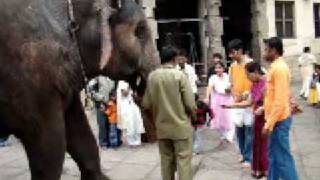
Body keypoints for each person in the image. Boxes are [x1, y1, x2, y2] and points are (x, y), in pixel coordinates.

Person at [143, 46, 196, 180]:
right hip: (181, 126)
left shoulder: (152, 77)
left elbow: (146, 104)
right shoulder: (180, 76)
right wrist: (194, 117)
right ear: (174, 59)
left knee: (166, 162)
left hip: (162, 127)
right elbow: (190, 104)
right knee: (183, 161)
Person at [224, 61, 269, 179]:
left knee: (265, 145)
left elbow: (272, 102)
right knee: (257, 144)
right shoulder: (254, 85)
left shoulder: (267, 83)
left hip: (267, 118)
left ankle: (267, 172)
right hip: (258, 118)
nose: (247, 78)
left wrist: (263, 108)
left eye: (248, 75)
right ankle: (258, 170)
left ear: (256, 72)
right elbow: (249, 102)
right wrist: (231, 106)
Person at [263, 37, 299, 180]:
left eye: (266, 50)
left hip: (279, 121)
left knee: (283, 159)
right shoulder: (275, 66)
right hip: (275, 119)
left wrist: (268, 124)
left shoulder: (280, 69)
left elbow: (279, 100)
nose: (264, 52)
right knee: (273, 156)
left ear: (274, 51)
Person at [227, 39, 253, 167]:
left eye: (233, 52)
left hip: (249, 102)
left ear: (240, 50)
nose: (231, 56)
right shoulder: (232, 66)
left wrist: (248, 93)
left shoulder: (251, 64)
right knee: (239, 130)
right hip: (237, 103)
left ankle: (249, 156)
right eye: (230, 53)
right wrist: (233, 94)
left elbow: (258, 82)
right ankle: (242, 153)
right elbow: (231, 83)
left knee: (249, 129)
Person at [205, 61, 234, 143]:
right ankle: (223, 134)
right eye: (216, 68)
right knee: (218, 118)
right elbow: (209, 87)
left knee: (229, 116)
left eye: (219, 68)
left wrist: (230, 90)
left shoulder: (228, 76)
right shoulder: (213, 78)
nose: (218, 70)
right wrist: (207, 97)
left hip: (228, 98)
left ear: (223, 68)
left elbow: (232, 86)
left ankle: (229, 137)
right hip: (217, 99)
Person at [117, 81, 145, 147]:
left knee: (137, 122)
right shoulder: (121, 83)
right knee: (129, 124)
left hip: (133, 105)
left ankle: (138, 141)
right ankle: (131, 142)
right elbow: (124, 93)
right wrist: (130, 88)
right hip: (126, 106)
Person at [89, 76, 115, 147]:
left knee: (110, 123)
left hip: (111, 104)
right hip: (100, 103)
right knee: (102, 123)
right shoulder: (97, 77)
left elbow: (114, 89)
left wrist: (113, 97)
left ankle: (111, 141)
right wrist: (100, 100)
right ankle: (103, 142)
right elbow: (92, 90)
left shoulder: (112, 77)